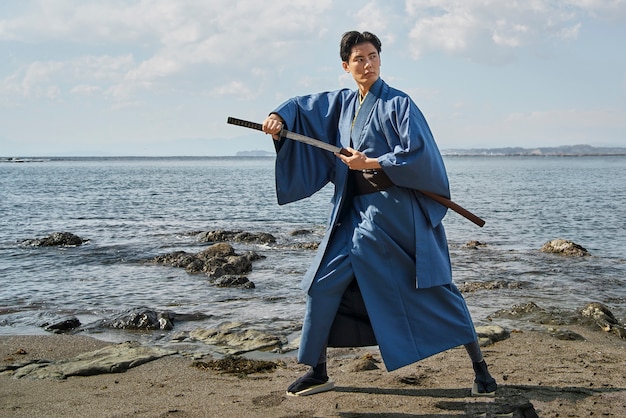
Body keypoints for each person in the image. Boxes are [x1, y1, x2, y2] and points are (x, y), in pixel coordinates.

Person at [262, 31, 497, 397]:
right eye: (359, 58)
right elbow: (303, 108)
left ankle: (481, 370)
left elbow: (419, 155)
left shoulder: (399, 104)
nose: (367, 64)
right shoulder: (341, 103)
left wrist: (371, 161)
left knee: (436, 291)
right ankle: (318, 371)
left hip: (394, 216)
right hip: (351, 215)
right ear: (346, 65)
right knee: (321, 284)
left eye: (373, 56)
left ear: (380, 60)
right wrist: (278, 118)